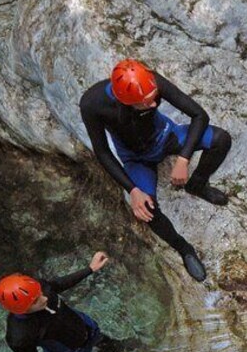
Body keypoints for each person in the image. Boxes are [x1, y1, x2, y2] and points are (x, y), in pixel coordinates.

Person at [79, 59, 232, 282]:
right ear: (125, 101)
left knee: (221, 139)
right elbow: (102, 152)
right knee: (146, 210)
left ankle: (197, 185)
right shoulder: (93, 104)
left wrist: (183, 159)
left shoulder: (152, 81)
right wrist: (132, 190)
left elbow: (199, 115)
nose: (153, 105)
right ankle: (184, 249)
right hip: (136, 158)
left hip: (166, 137)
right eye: (145, 103)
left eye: (154, 99)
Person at [0, 252, 122, 352]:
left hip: (86, 329)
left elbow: (58, 284)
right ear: (22, 310)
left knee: (105, 343)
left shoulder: (39, 289)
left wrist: (90, 269)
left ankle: (109, 347)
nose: (45, 298)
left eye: (39, 292)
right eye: (36, 301)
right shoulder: (20, 335)